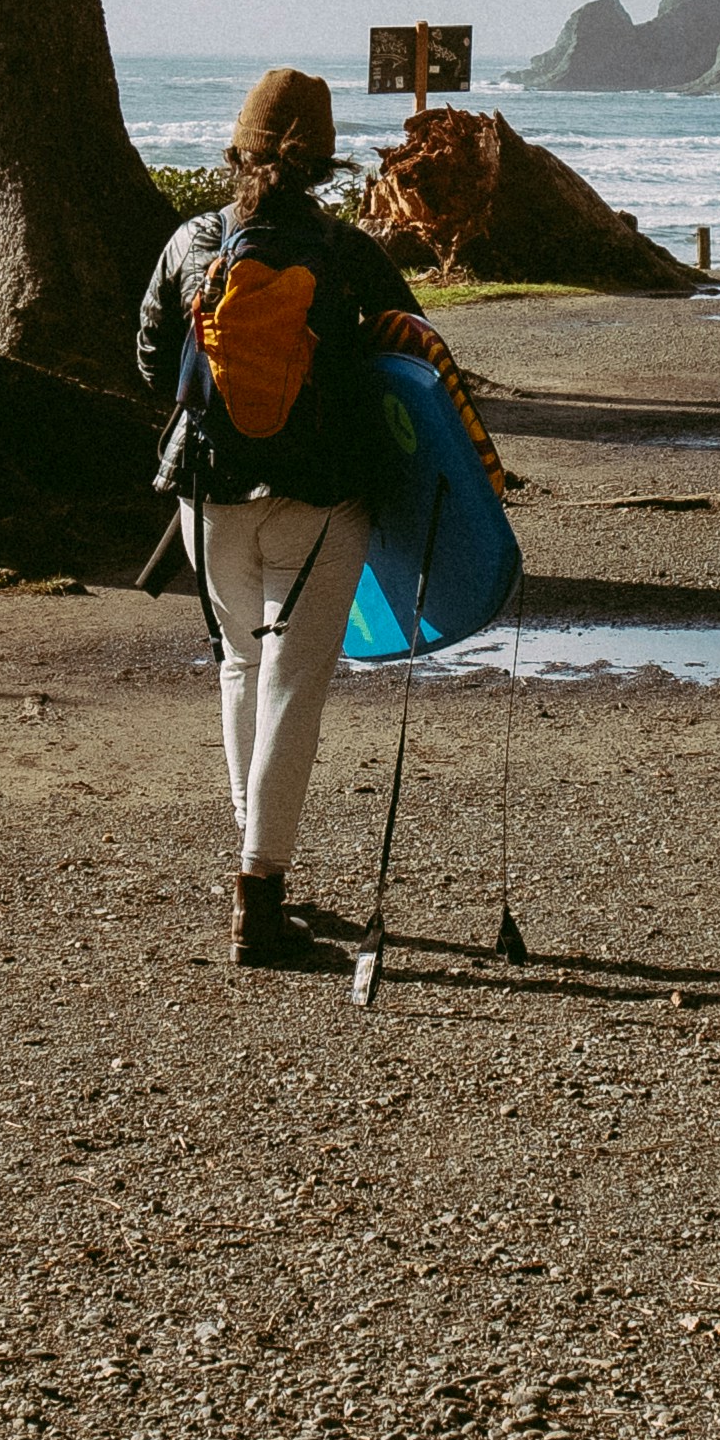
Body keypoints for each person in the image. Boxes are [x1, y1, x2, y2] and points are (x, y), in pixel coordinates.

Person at [135, 68, 428, 969]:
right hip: (321, 497)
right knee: (293, 685)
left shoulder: (192, 241)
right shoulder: (346, 253)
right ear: (323, 166)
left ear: (238, 153)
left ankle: (253, 861)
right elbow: (415, 358)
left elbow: (150, 359)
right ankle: (258, 894)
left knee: (240, 667)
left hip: (208, 496)